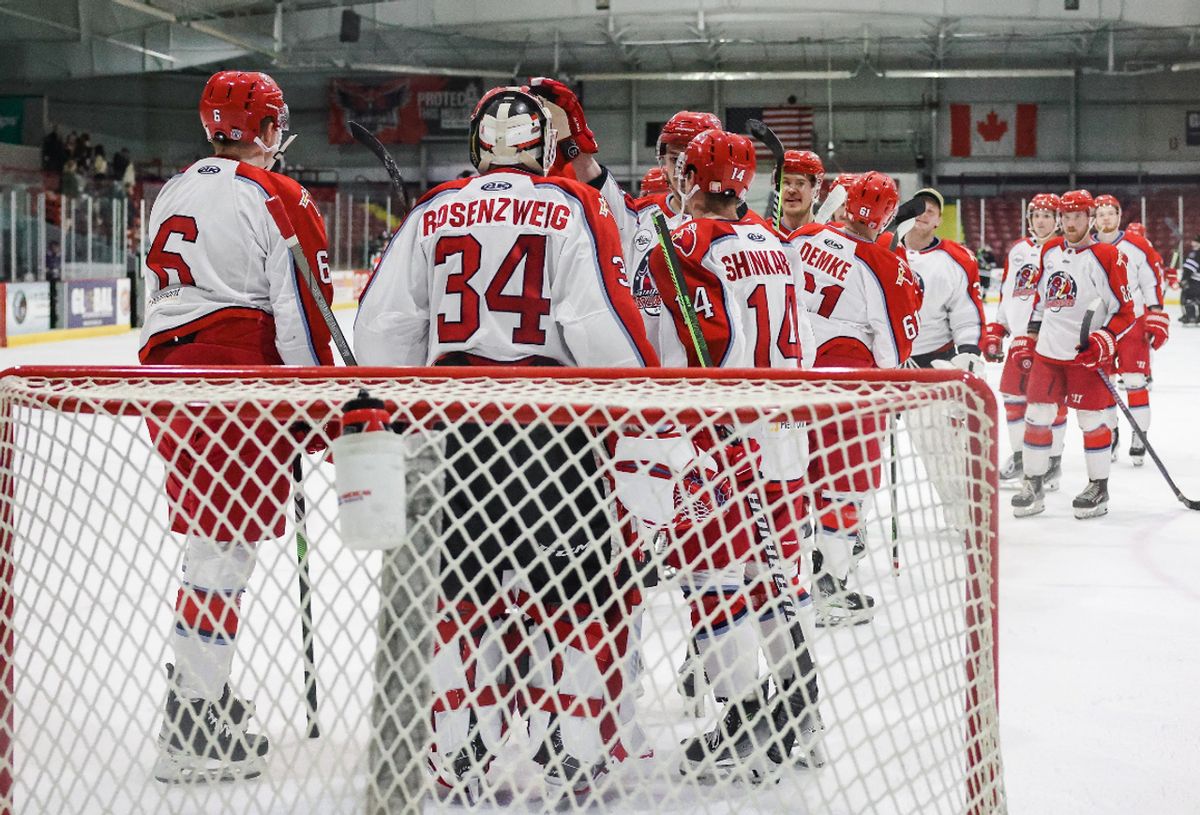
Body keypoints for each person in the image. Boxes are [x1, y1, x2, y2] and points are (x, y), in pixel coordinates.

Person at [354, 84, 658, 798]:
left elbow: (380, 328)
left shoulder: (435, 209)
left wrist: (398, 406)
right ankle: (574, 747)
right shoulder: (570, 204)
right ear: (543, 149)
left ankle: (459, 747)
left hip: (457, 433)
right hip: (553, 434)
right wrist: (639, 403)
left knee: (461, 597)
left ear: (477, 145)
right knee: (576, 596)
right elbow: (597, 321)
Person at [139, 70, 334, 783]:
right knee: (221, 553)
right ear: (271, 128)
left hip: (170, 384)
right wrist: (320, 412)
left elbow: (158, 297)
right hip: (235, 386)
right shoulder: (274, 193)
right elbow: (302, 314)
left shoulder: (172, 189)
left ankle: (201, 691)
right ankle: (191, 718)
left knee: (211, 544)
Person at [645, 127, 821, 781]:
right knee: (776, 581)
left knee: (717, 582)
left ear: (689, 176)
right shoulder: (776, 242)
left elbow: (705, 351)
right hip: (786, 437)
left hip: (722, 440)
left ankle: (745, 715)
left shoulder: (685, 244)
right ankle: (803, 716)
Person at [788, 172, 922, 625]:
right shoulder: (882, 263)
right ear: (887, 216)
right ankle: (829, 589)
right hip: (849, 390)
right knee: (842, 489)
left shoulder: (802, 237)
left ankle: (786, 585)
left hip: (788, 380)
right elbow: (893, 352)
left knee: (791, 484)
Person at [1010, 190, 1135, 519]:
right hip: (1048, 353)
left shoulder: (1106, 256)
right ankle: (1033, 483)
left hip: (1085, 356)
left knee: (1091, 420)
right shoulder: (1050, 250)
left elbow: (1125, 312)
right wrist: (1030, 338)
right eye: (1066, 216)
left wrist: (1105, 340)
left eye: (1078, 216)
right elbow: (1041, 302)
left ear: (1090, 218)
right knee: (1037, 415)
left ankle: (1098, 487)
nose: (1070, 222)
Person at [985, 194, 1067, 488]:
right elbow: (1009, 292)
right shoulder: (1019, 249)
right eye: (1036, 215)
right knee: (1012, 397)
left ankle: (1052, 462)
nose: (1040, 221)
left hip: (1051, 342)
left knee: (1049, 403)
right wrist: (998, 327)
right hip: (1021, 339)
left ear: (1057, 220)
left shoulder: (1064, 250)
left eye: (1047, 215)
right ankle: (1022, 457)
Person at [1092, 194, 1169, 465]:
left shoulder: (1136, 245)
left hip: (1133, 321)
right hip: (1101, 326)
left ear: (1119, 215)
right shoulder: (1087, 247)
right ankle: (1111, 432)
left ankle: (1139, 434)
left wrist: (1156, 312)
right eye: (1100, 214)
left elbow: (1151, 280)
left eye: (1110, 213)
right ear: (1094, 218)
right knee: (1105, 383)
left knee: (1135, 380)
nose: (1105, 218)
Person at [900, 187, 986, 371]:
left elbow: (966, 313)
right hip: (885, 357)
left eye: (930, 211)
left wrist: (969, 353)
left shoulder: (958, 259)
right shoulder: (882, 250)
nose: (923, 214)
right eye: (918, 208)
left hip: (936, 358)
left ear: (938, 221)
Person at [778, 150, 825, 233]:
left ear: (815, 189)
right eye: (786, 182)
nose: (791, 190)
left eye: (800, 183)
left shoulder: (830, 237)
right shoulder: (762, 233)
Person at [1181, 235, 1200, 325]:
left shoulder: (1195, 254)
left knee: (1188, 297)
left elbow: (1189, 269)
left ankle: (1190, 316)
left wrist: (1184, 279)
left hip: (1195, 281)